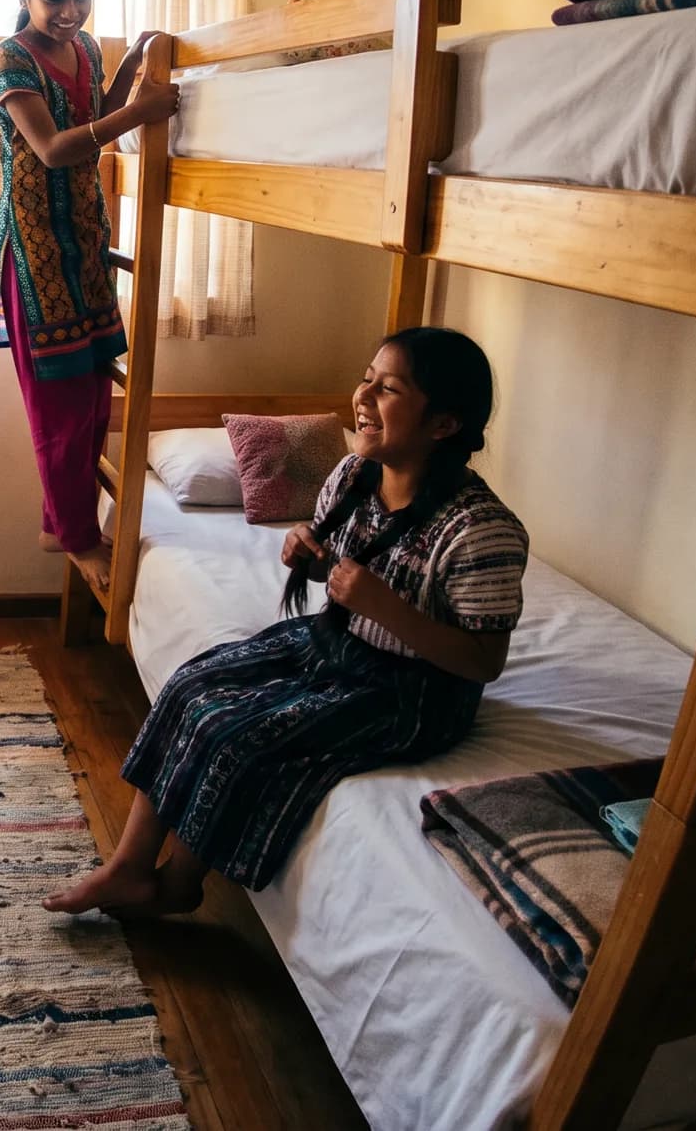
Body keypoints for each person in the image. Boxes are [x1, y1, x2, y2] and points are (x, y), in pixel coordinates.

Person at [45, 327, 529, 916]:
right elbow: (351, 575)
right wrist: (314, 554)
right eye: (367, 378)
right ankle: (128, 868)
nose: (364, 396)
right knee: (191, 685)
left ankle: (179, 883)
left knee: (235, 732)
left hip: (412, 692)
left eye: (389, 389)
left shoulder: (481, 530)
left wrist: (381, 606)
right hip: (337, 642)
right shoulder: (354, 476)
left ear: (444, 424)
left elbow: (484, 661)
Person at [0, 0, 179, 598]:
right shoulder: (10, 61)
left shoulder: (87, 48)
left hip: (84, 244)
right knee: (61, 404)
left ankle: (58, 521)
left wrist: (132, 73)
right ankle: (75, 535)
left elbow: (92, 109)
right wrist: (139, 112)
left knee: (95, 396)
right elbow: (54, 148)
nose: (70, 11)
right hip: (37, 257)